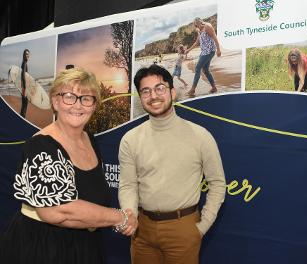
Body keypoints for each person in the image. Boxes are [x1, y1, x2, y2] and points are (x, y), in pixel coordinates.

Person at [0, 68, 136, 264]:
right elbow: (58, 211)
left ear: (94, 105)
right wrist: (119, 217)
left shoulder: (89, 139)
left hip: (85, 246)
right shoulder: (40, 146)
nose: (77, 105)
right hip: (44, 248)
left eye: (86, 98)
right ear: (55, 101)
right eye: (69, 96)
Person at [118, 64, 226, 264]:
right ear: (141, 98)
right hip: (142, 230)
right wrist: (129, 216)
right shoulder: (130, 139)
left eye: (160, 88)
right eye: (146, 91)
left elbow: (218, 183)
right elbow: (128, 185)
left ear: (172, 92)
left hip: (184, 229)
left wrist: (202, 227)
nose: (153, 96)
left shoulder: (200, 136)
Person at [185, 17, 221, 96]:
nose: (196, 27)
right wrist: (188, 50)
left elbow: (215, 37)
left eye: (196, 25)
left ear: (199, 22)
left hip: (210, 51)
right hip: (204, 52)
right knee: (205, 70)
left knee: (198, 68)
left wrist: (218, 49)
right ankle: (214, 87)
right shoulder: (199, 31)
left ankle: (193, 89)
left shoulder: (207, 26)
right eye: (195, 26)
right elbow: (196, 43)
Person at [20, 49, 30, 117]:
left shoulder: (24, 62)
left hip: (23, 86)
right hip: (24, 87)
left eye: (28, 54)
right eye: (26, 54)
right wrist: (25, 88)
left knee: (24, 104)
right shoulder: (24, 63)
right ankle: (22, 118)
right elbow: (23, 75)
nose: (27, 55)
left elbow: (24, 75)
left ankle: (21, 118)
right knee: (25, 104)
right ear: (24, 55)